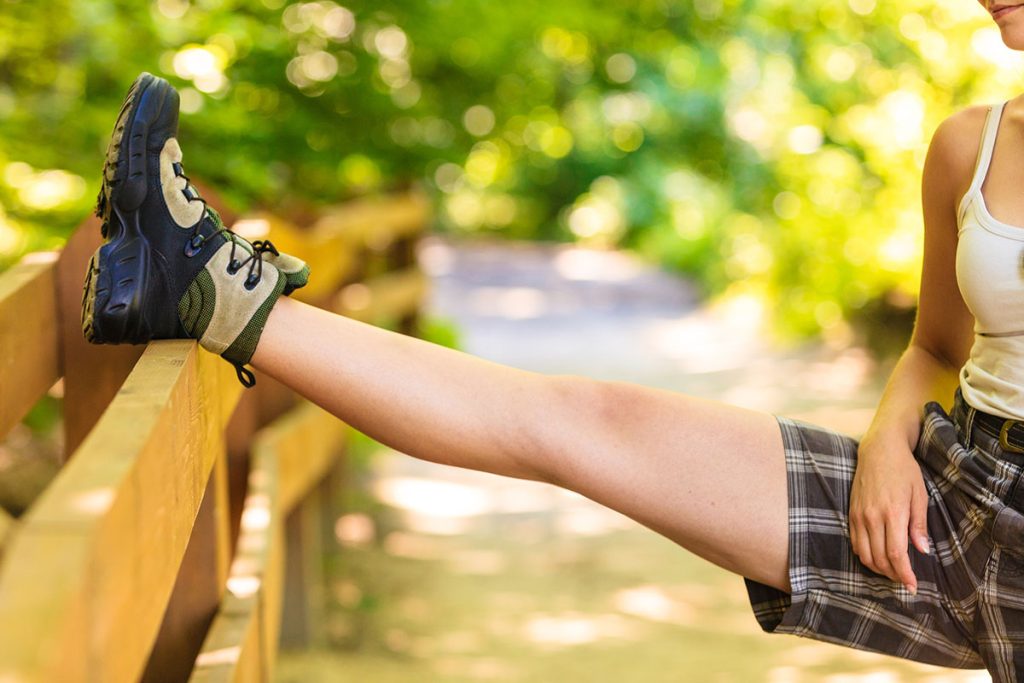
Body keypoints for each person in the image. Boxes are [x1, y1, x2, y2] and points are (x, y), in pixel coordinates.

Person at [80, 3, 1024, 677]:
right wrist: (893, 442)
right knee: (583, 419)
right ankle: (198, 287)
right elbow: (933, 346)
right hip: (955, 491)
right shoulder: (966, 146)